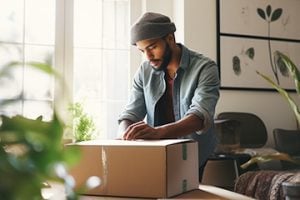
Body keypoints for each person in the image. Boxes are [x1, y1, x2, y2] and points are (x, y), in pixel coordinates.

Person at [118, 12, 220, 182]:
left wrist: (158, 133)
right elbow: (130, 113)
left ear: (170, 38)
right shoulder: (144, 71)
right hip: (155, 153)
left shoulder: (205, 68)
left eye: (152, 47)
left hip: (192, 154)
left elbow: (199, 116)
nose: (148, 57)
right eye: (142, 51)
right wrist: (124, 136)